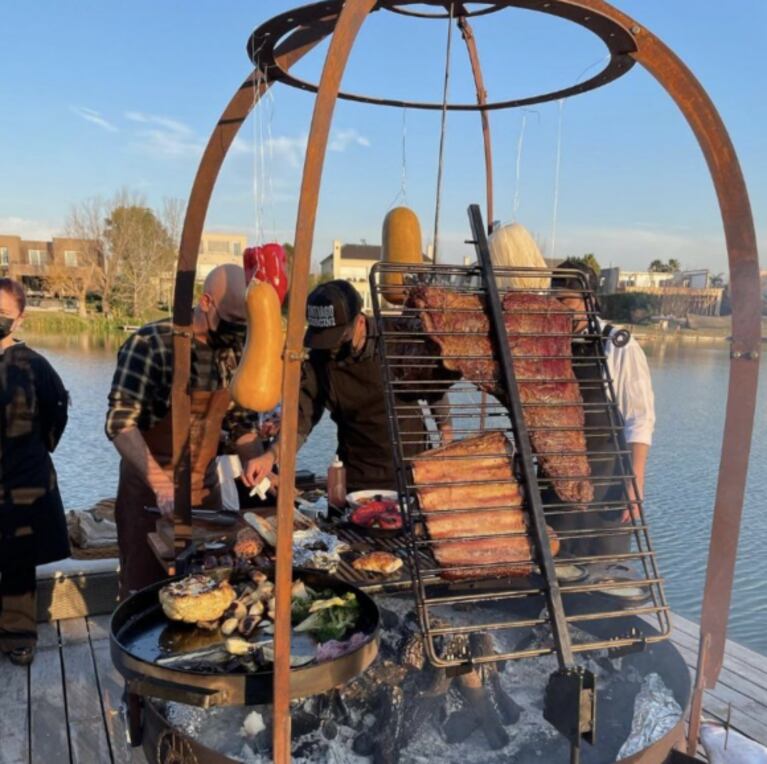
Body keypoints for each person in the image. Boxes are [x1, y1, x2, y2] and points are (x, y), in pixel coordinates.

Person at [106, 264, 264, 596]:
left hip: (206, 494)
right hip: (150, 496)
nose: (238, 333)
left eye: (244, 324)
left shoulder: (236, 351)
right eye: (234, 321)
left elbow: (240, 425)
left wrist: (258, 461)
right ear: (206, 302)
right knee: (145, 596)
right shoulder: (151, 344)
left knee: (211, 589)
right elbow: (120, 424)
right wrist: (161, 484)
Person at [245, 280, 450, 494]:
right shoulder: (319, 361)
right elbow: (301, 420)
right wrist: (270, 456)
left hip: (412, 469)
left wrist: (446, 436)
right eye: (325, 341)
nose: (332, 348)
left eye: (339, 339)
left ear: (360, 322)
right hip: (356, 477)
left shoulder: (395, 338)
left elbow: (433, 388)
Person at [547, 259, 655, 558]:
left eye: (566, 301)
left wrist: (636, 480)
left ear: (590, 300)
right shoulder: (550, 345)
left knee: (603, 575)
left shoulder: (617, 345)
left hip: (605, 480)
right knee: (558, 568)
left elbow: (640, 419)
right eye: (554, 302)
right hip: (557, 482)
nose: (559, 309)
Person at [0, 279, 69, 665]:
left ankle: (17, 635)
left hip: (23, 473)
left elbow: (57, 410)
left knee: (17, 558)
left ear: (19, 319)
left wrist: (38, 447)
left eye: (3, 315)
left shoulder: (34, 366)